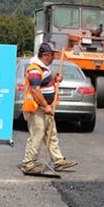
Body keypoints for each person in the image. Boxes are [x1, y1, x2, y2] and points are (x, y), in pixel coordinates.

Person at [20, 43, 78, 175]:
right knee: (37, 134)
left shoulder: (44, 68)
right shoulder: (34, 69)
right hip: (37, 109)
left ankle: (58, 161)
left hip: (45, 107)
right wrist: (45, 106)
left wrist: (55, 80)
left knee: (51, 134)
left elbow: (45, 84)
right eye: (52, 54)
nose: (54, 57)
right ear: (46, 55)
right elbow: (35, 91)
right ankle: (28, 164)